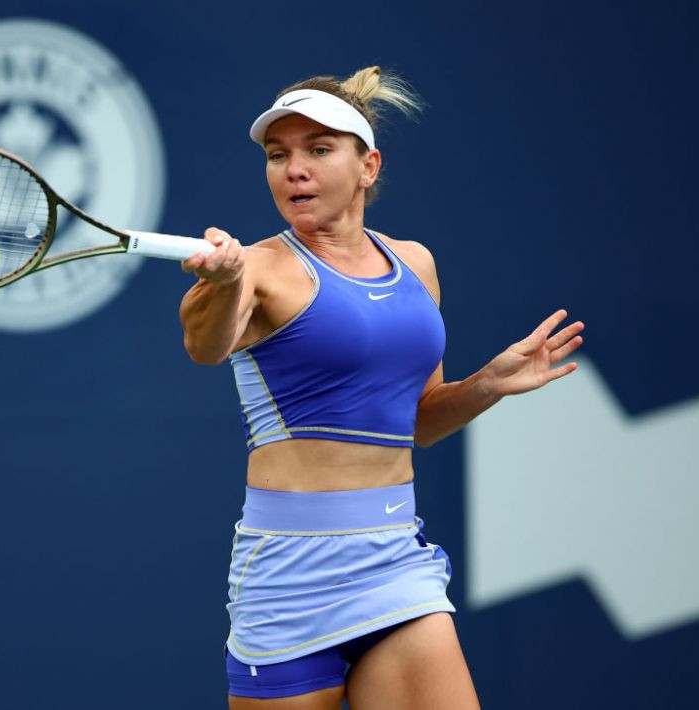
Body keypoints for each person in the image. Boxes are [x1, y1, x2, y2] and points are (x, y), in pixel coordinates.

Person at [179, 67, 584, 710]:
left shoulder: (415, 264)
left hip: (394, 560)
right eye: (278, 155)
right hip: (287, 575)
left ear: (368, 167)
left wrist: (488, 385)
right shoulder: (255, 268)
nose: (295, 170)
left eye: (318, 149)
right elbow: (204, 347)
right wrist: (223, 285)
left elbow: (417, 423)